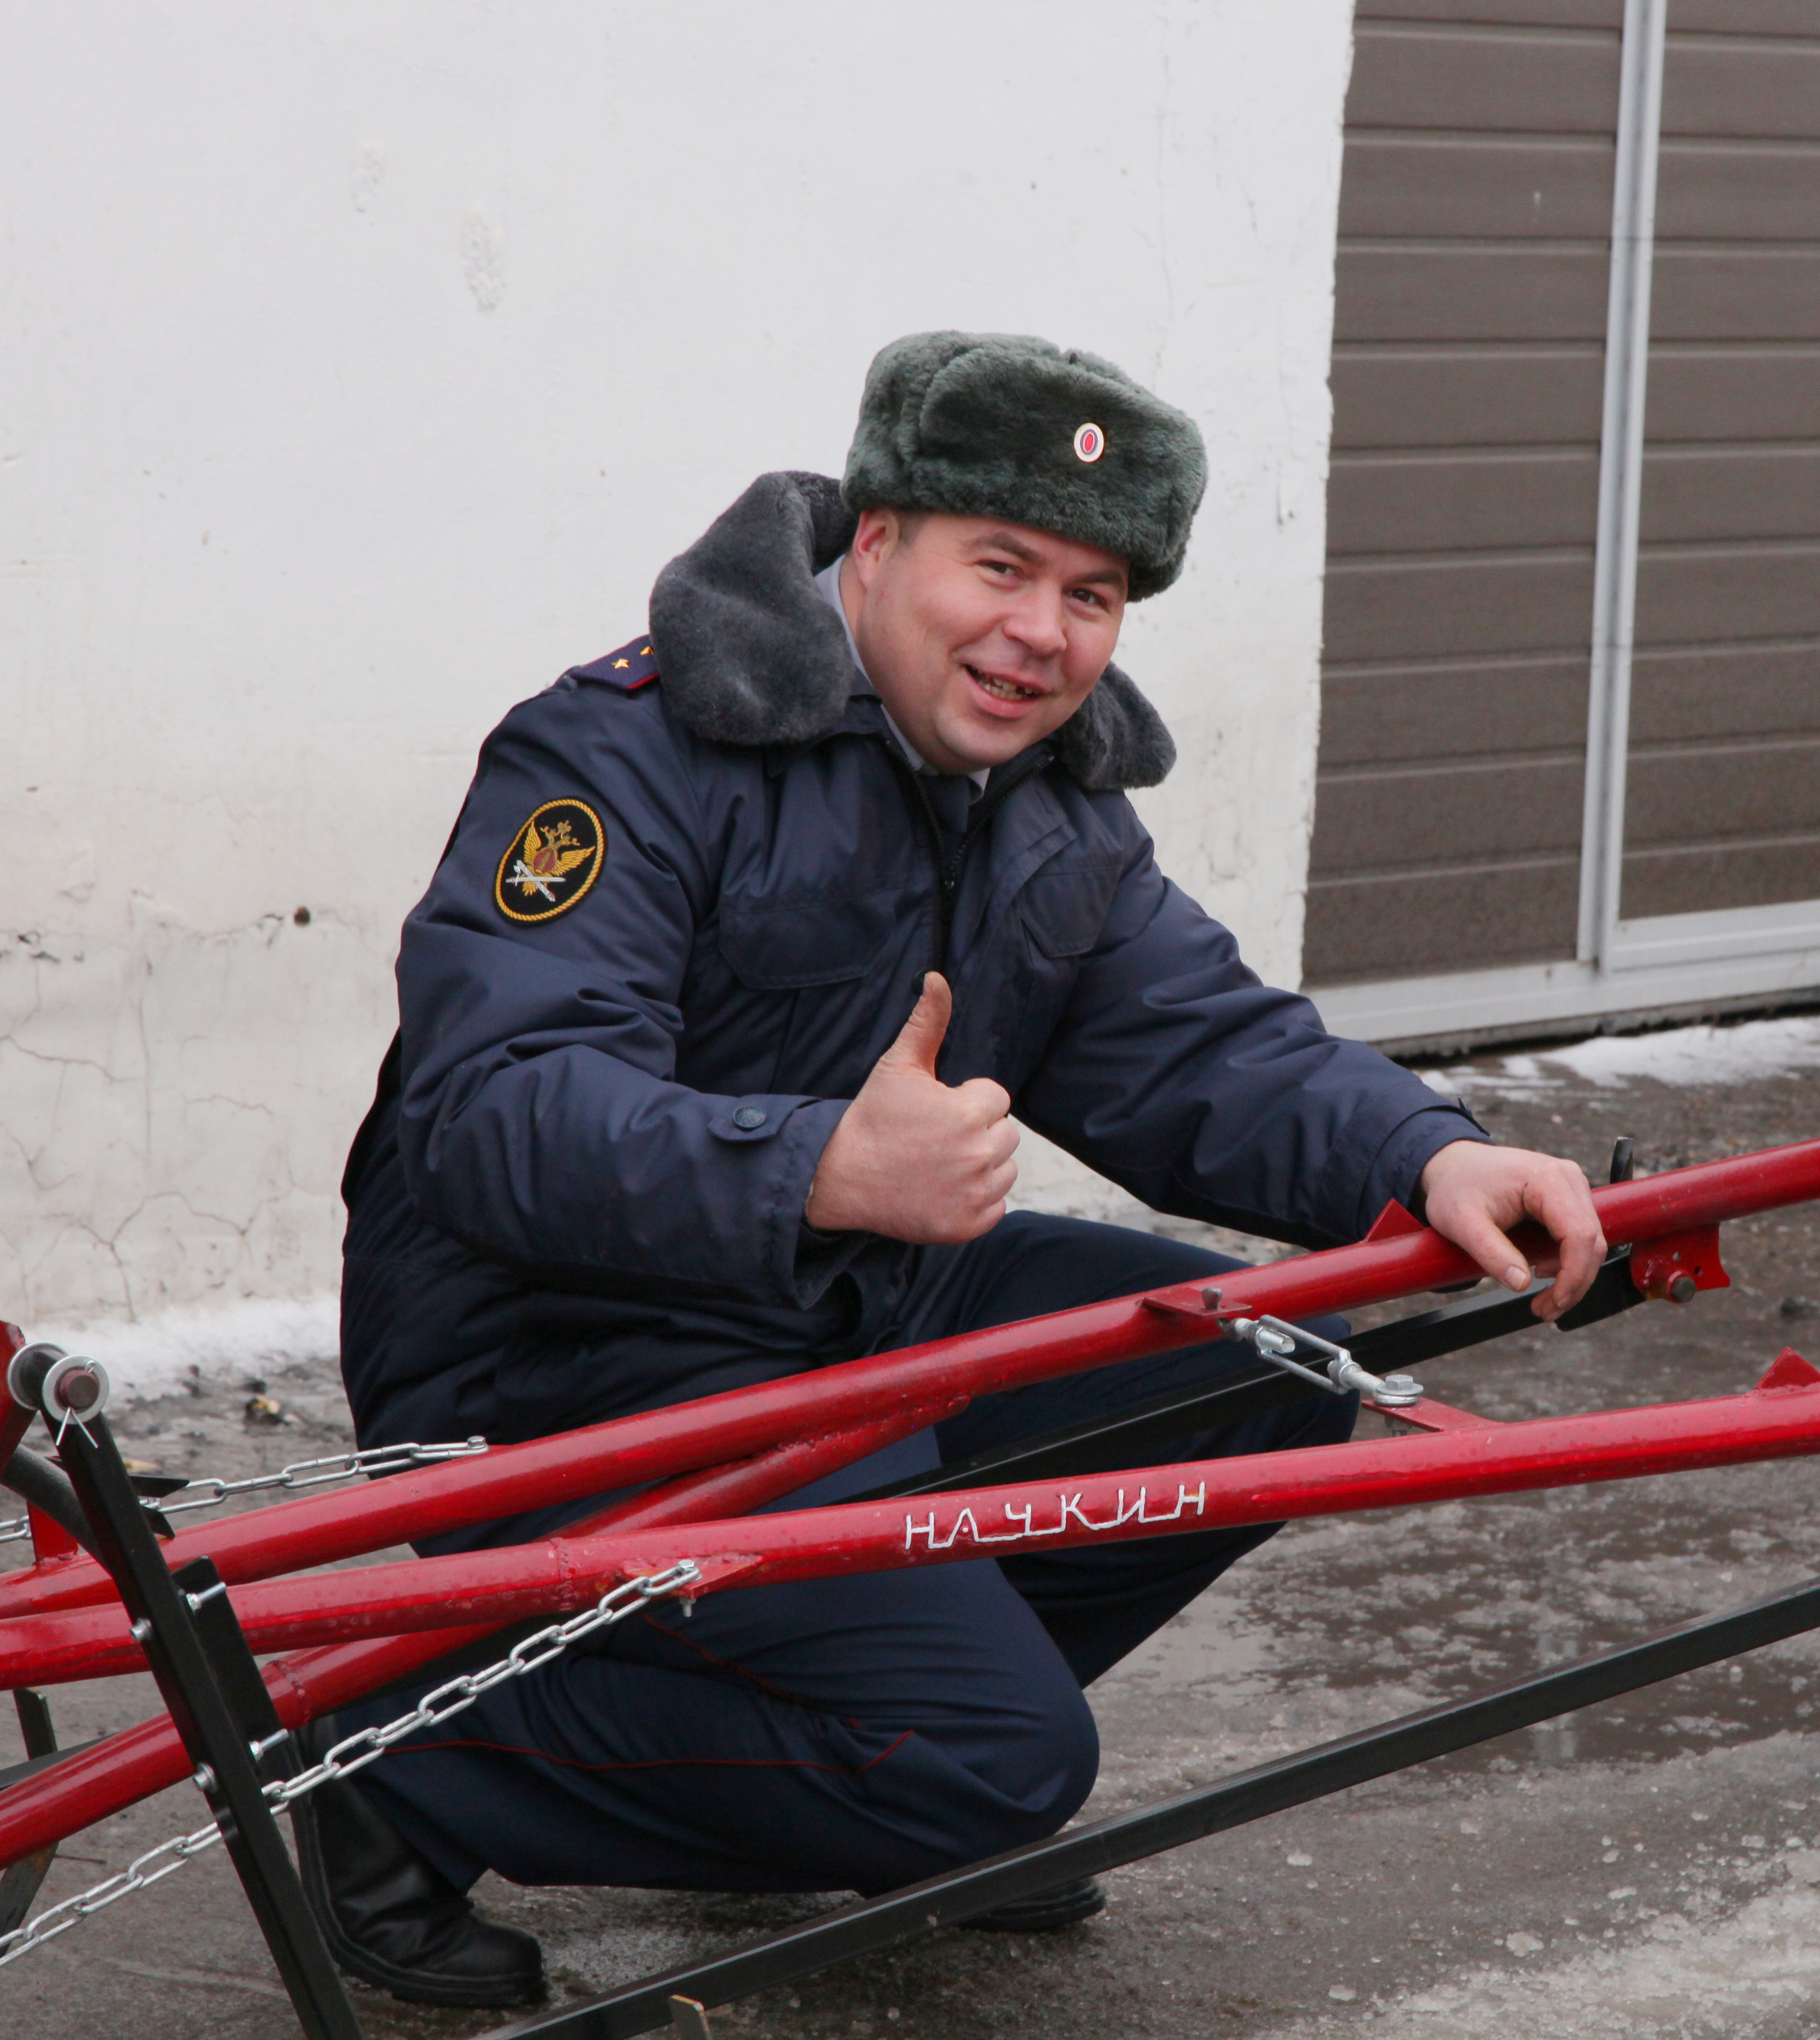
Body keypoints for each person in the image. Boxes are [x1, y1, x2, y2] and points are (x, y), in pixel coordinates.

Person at [300, 332, 1604, 2007]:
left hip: (857, 1314)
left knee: (1260, 1372)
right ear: (874, 543)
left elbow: (1200, 1044)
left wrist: (1430, 1152)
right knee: (998, 1760)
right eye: (1001, 565)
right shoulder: (625, 753)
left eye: (1095, 593)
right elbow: (495, 1110)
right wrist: (816, 1167)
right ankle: (387, 1765)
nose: (1042, 634)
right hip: (573, 1352)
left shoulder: (1044, 803)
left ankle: (862, 1765)